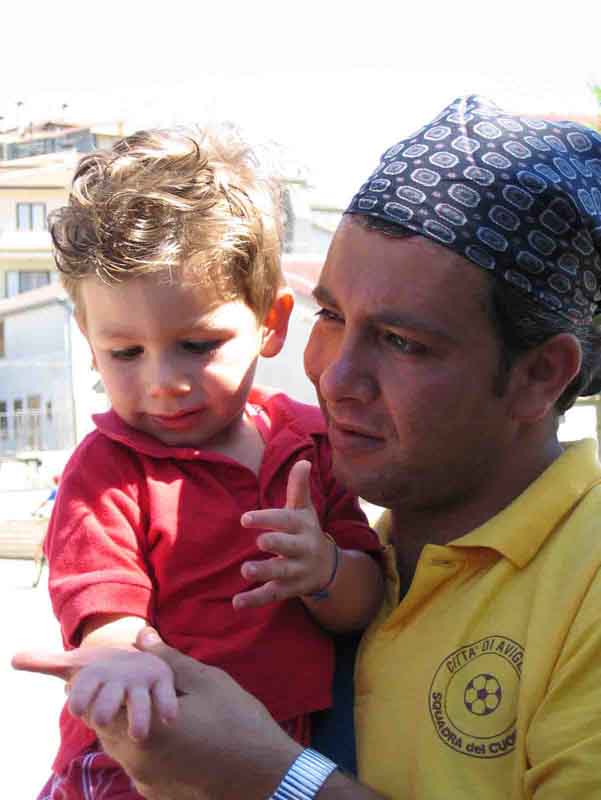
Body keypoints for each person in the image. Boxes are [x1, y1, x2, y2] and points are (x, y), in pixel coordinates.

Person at [14, 94, 601, 799]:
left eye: (401, 341)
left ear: (539, 375)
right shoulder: (377, 529)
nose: (333, 376)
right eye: (332, 315)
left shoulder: (582, 588)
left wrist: (275, 778)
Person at [20, 126, 384, 800]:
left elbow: (363, 603)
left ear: (271, 322)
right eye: (126, 353)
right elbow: (105, 608)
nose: (164, 382)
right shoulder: (109, 469)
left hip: (280, 754)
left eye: (197, 344)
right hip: (141, 750)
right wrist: (121, 660)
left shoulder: (308, 448)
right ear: (90, 343)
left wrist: (324, 568)